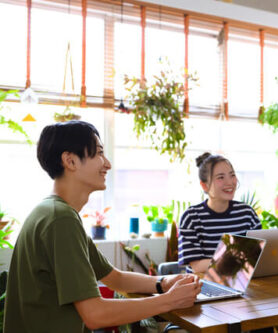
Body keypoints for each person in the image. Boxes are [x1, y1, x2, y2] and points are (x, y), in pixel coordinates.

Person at [4, 121, 202, 332]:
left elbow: (115, 278)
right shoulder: (60, 220)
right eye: (98, 153)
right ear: (70, 161)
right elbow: (95, 315)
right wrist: (169, 301)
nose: (107, 163)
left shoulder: (53, 212)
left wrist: (163, 282)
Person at [178, 152, 262, 273]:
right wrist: (234, 257)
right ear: (204, 185)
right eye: (221, 177)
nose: (230, 182)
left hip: (242, 284)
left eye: (232, 175)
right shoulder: (191, 218)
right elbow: (197, 266)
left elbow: (258, 257)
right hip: (202, 286)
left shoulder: (247, 214)